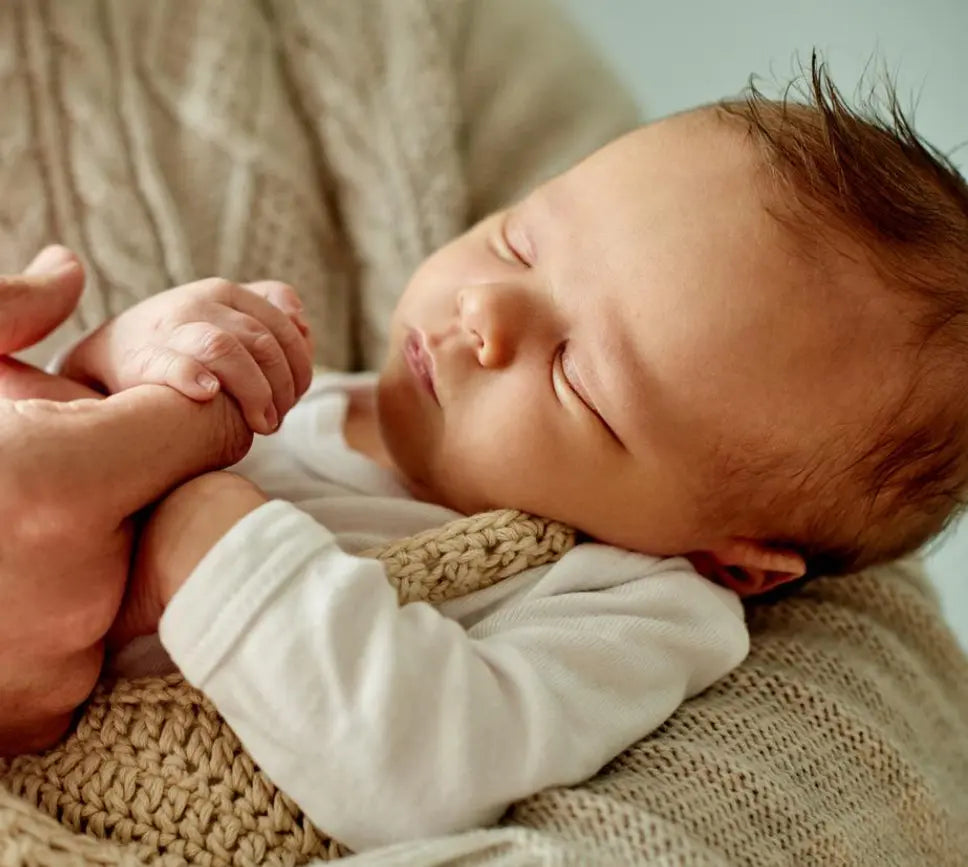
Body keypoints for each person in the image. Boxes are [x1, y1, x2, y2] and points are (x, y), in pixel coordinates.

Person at [51, 65, 968, 851]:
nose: (487, 310)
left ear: (733, 558)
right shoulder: (306, 397)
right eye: (520, 240)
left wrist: (216, 547)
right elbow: (52, 480)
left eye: (578, 378)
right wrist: (128, 363)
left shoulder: (634, 608)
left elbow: (417, 776)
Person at [0, 246, 257, 755]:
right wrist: (110, 358)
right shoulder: (330, 391)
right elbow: (61, 431)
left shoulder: (455, 560)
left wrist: (218, 533)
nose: (468, 305)